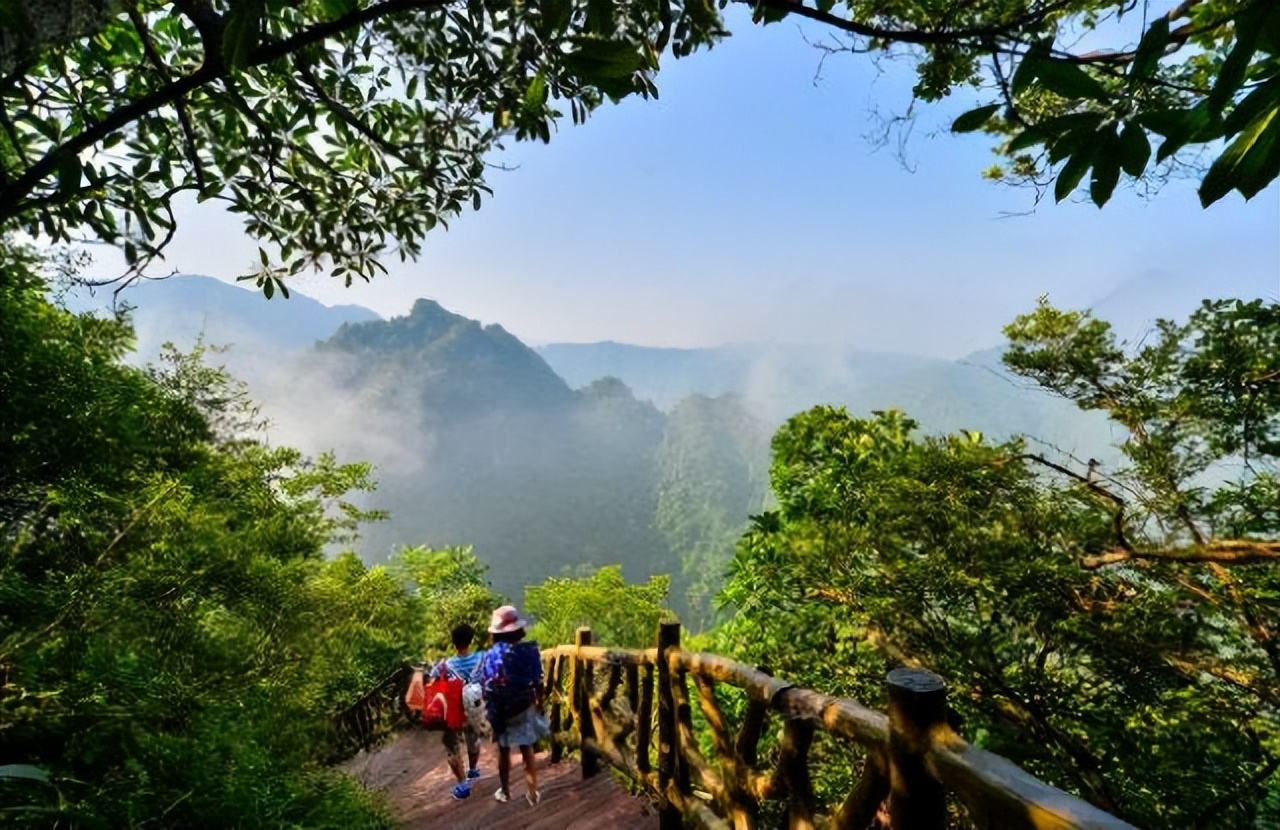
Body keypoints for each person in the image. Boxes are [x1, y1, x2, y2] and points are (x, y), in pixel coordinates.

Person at [479, 605, 548, 806]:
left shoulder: (490, 656)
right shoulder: (529, 651)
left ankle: (506, 791)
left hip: (501, 710)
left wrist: (492, 714)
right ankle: (533, 792)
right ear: (518, 630)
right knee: (527, 748)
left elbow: (486, 685)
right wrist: (539, 702)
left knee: (504, 750)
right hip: (524, 705)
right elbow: (538, 681)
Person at [429, 623, 486, 800]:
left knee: (452, 745)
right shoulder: (481, 658)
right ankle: (473, 771)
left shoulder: (444, 665)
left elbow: (431, 683)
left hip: (454, 708)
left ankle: (462, 785)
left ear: (453, 642)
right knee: (473, 738)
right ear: (471, 640)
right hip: (475, 705)